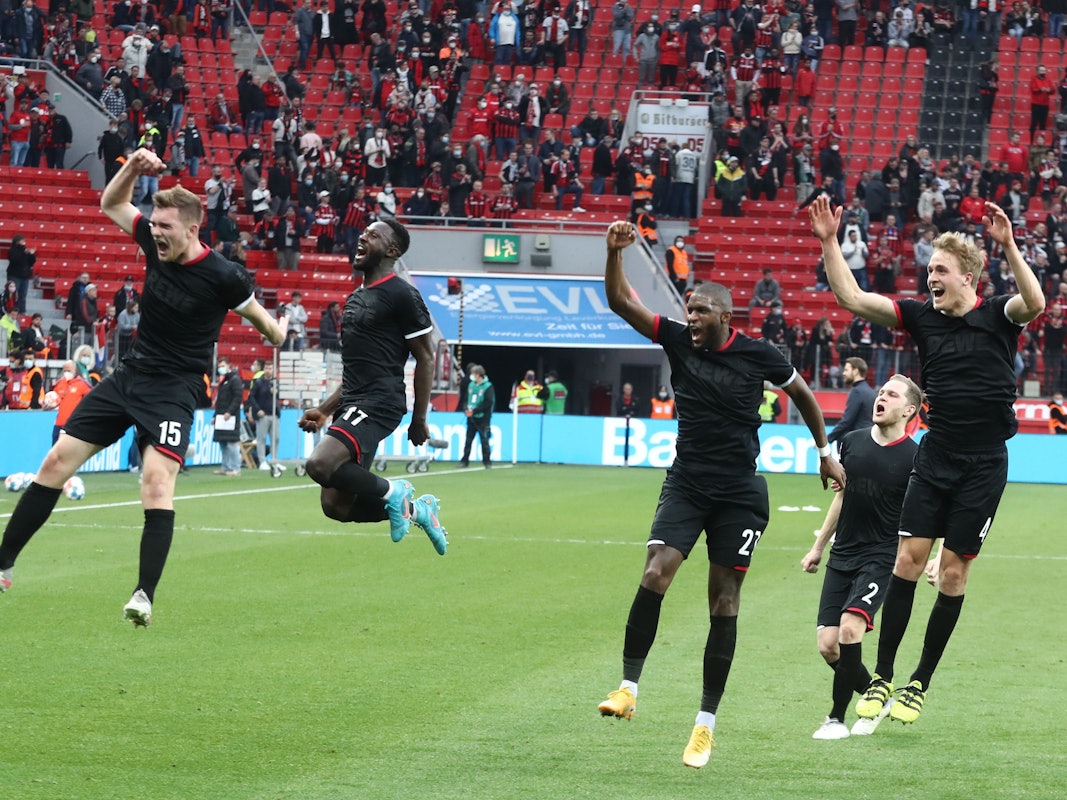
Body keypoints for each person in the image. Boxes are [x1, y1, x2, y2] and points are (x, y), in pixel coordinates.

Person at [0, 150, 288, 624]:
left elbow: (261, 319)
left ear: (193, 229)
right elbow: (112, 204)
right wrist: (133, 168)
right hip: (130, 376)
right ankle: (5, 561)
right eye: (153, 224)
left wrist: (276, 334)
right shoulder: (152, 240)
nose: (155, 232)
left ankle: (143, 595)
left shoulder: (224, 276)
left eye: (166, 227)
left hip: (176, 389)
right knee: (55, 462)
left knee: (155, 483)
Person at [597, 220, 844, 768]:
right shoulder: (676, 339)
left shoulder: (759, 354)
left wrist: (824, 451)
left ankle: (704, 726)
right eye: (688, 308)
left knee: (723, 601)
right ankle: (627, 689)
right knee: (655, 571)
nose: (691, 316)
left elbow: (802, 394)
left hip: (739, 492)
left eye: (700, 310)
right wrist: (614, 254)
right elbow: (620, 302)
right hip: (687, 481)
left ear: (724, 317)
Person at [809, 193, 1044, 725]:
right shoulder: (920, 316)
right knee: (908, 562)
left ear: (968, 277)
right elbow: (851, 298)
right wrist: (828, 240)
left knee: (955, 575)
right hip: (936, 455)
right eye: (929, 268)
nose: (930, 275)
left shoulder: (997, 314)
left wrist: (1008, 246)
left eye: (940, 269)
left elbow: (1035, 304)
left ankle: (918, 684)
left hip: (985, 463)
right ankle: (884, 677)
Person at [297, 219, 447, 556]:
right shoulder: (357, 297)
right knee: (335, 506)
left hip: (380, 402)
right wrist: (324, 409)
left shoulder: (402, 294)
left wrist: (419, 418)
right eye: (363, 232)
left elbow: (425, 357)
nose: (363, 236)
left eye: (374, 235)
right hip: (353, 401)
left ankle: (395, 492)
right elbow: (356, 370)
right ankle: (417, 510)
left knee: (320, 465)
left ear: (392, 251)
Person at [801, 374, 922, 739]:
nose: (881, 397)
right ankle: (877, 694)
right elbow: (841, 497)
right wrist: (818, 547)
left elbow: (927, 513)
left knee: (851, 629)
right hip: (843, 555)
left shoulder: (916, 456)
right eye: (881, 391)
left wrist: (927, 556)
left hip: (882, 556)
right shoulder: (851, 443)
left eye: (891, 394)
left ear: (909, 410)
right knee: (827, 646)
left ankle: (836, 719)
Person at [827, 357, 876, 444]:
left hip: (856, 443)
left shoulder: (857, 391)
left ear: (855, 371)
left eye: (846, 370)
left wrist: (827, 440)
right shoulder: (872, 392)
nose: (843, 373)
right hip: (869, 441)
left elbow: (847, 421)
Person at [212, 356, 244, 477]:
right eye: (219, 366)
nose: (221, 368)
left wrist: (230, 412)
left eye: (223, 366)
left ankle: (236, 468)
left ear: (228, 366)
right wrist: (215, 416)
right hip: (221, 417)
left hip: (230, 417)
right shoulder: (224, 381)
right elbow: (220, 402)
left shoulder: (235, 380)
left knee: (231, 443)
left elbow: (237, 398)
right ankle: (225, 467)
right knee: (223, 443)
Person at [459, 364, 494, 468]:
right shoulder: (471, 385)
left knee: (484, 440)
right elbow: (465, 399)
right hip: (471, 418)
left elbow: (488, 402)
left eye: (473, 374)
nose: (472, 376)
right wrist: (466, 409)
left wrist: (475, 410)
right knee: (468, 440)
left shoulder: (488, 386)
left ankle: (487, 461)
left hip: (482, 418)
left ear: (478, 375)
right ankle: (464, 461)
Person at [248, 360, 278, 469]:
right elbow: (251, 397)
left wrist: (276, 393)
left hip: (274, 414)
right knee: (262, 438)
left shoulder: (276, 382)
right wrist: (257, 410)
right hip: (263, 414)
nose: (268, 371)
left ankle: (274, 459)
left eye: (270, 368)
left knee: (276, 438)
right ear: (264, 369)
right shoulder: (258, 382)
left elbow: (279, 397)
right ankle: (262, 461)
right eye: (266, 368)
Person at [6, 234, 36, 314]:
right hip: (15, 275)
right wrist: (25, 253)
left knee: (23, 296)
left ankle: (22, 312)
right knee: (13, 295)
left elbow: (31, 262)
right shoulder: (13, 250)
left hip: (24, 276)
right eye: (22, 241)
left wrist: (31, 254)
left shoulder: (25, 250)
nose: (24, 242)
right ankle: (11, 311)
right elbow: (14, 259)